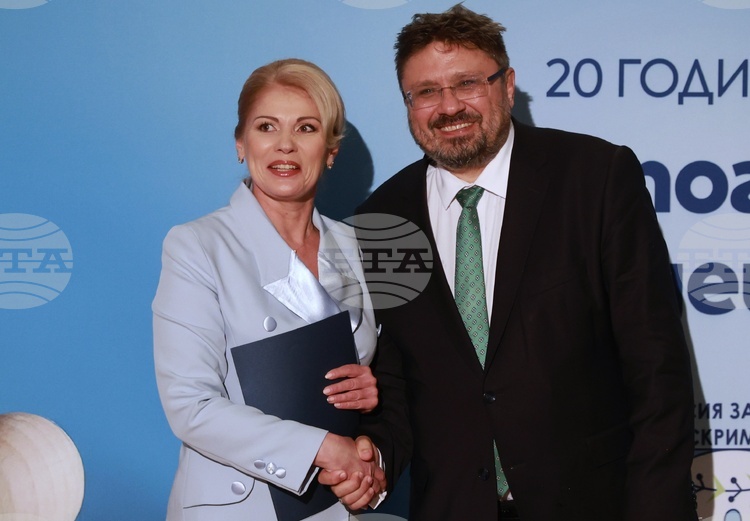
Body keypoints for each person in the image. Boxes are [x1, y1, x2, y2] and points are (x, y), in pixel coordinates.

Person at [322, 4, 697, 521]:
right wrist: (375, 458)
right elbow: (401, 383)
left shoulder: (594, 178)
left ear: (508, 84)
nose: (449, 106)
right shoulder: (383, 218)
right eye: (426, 91)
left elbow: (656, 367)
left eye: (467, 83)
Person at [153, 58, 385, 521]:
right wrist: (322, 448)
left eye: (306, 128)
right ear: (241, 143)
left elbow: (380, 378)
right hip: (237, 504)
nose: (285, 145)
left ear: (331, 150)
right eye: (266, 126)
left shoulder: (357, 246)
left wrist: (369, 415)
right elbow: (190, 406)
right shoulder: (198, 245)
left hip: (337, 501)